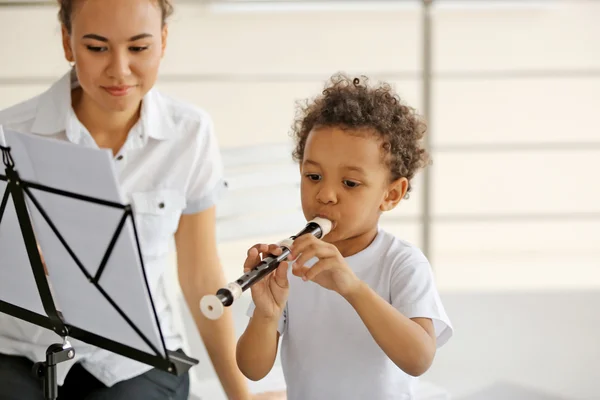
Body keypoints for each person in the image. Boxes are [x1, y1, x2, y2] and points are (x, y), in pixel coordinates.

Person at [0, 0, 257, 399]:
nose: (119, 69)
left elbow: (200, 275)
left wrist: (240, 395)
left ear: (163, 41)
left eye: (138, 48)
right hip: (19, 350)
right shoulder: (9, 133)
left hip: (140, 360)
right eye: (97, 47)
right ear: (68, 44)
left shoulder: (190, 133)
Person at [236, 73, 454, 400]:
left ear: (391, 194)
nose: (325, 194)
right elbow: (252, 368)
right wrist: (267, 314)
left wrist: (351, 288)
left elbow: (419, 358)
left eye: (350, 183)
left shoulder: (402, 263)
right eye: (313, 176)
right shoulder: (288, 259)